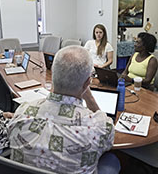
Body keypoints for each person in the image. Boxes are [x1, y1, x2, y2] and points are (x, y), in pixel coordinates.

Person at [8, 46, 120, 174]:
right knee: (111, 160)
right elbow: (109, 140)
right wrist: (89, 98)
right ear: (87, 83)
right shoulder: (99, 126)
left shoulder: (23, 110)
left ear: (53, 75)